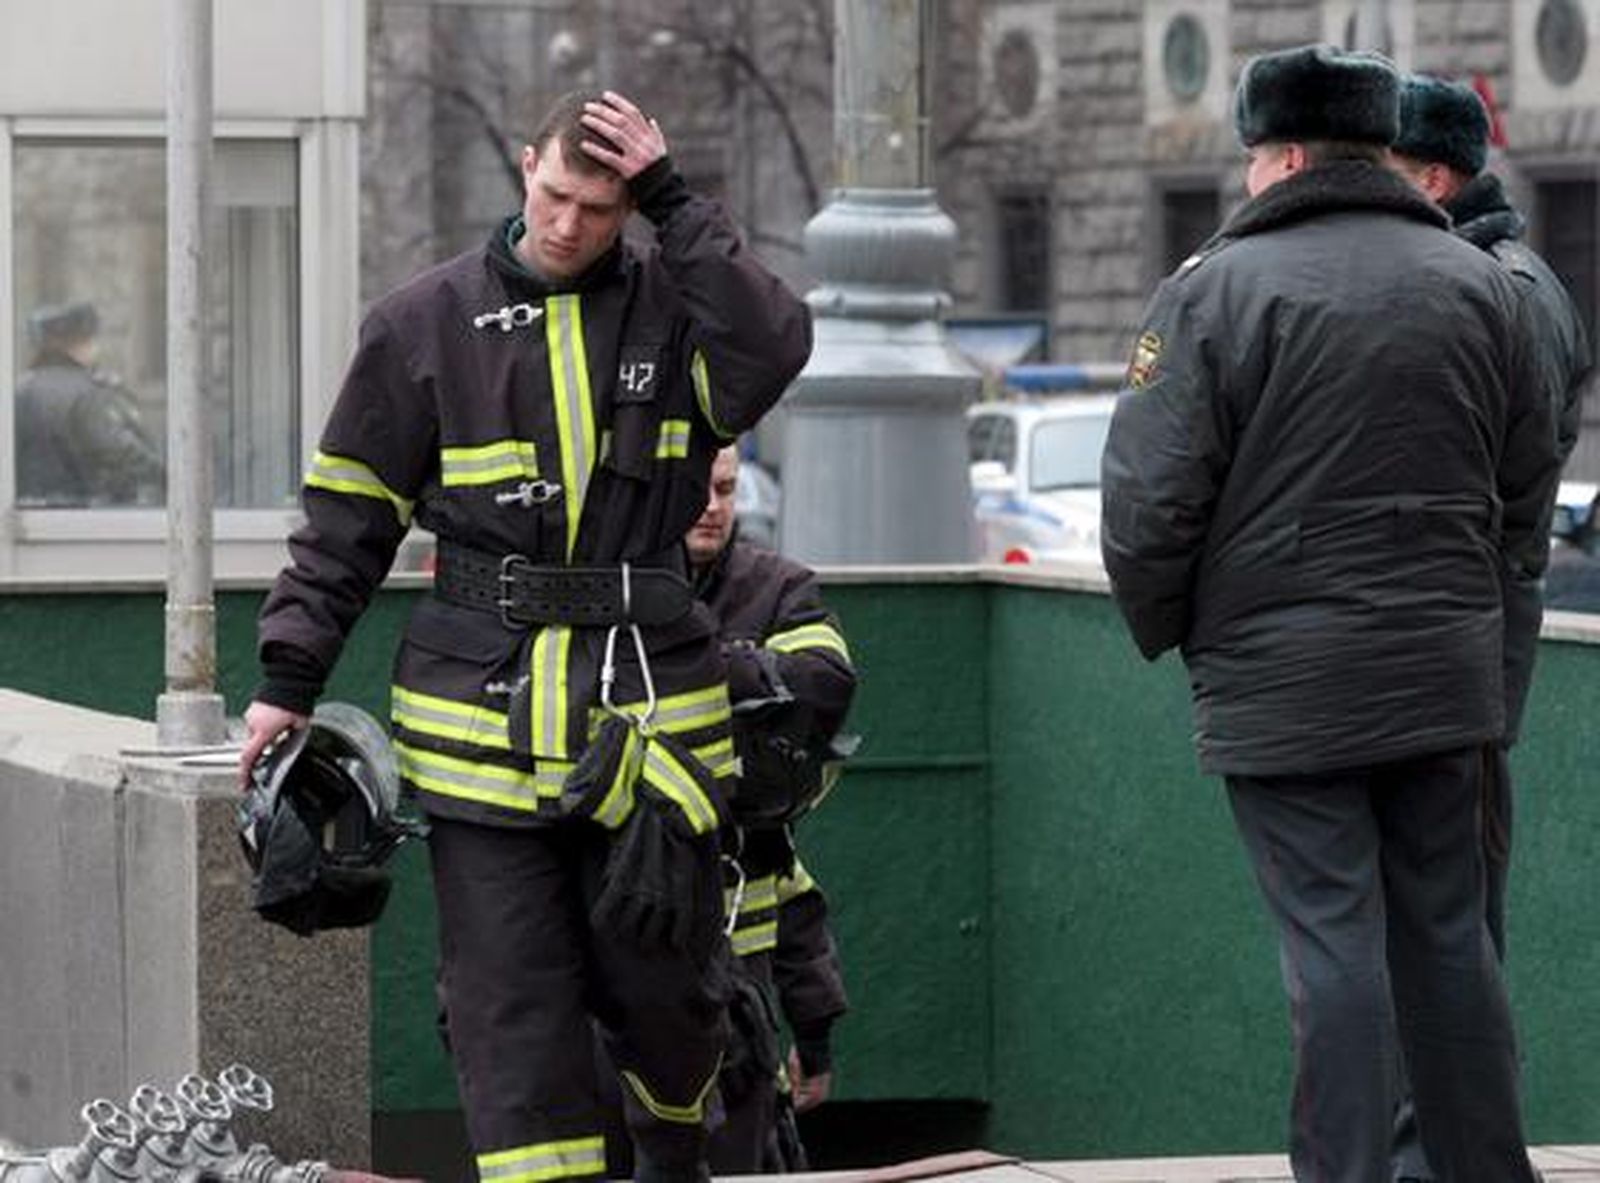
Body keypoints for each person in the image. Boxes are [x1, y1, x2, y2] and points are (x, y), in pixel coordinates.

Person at [237, 88, 811, 1183]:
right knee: (510, 1006)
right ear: (523, 167)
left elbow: (776, 343)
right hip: (479, 742)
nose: (567, 225)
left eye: (600, 208)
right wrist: (287, 679)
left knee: (668, 989)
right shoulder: (418, 326)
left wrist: (676, 202)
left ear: (629, 206)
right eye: (554, 194)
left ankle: (674, 1155)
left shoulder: (678, 311)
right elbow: (344, 521)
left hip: (650, 739)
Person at [1100, 44, 1557, 1183]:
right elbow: (1525, 489)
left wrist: (1183, 630)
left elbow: (1147, 509)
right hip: (1447, 675)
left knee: (1332, 951)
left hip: (1285, 685)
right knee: (1449, 943)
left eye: (1255, 159)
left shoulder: (1211, 290)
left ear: (1289, 156)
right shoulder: (1484, 283)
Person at [1387, 72, 1593, 1183]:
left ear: (1433, 175)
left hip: (1460, 656)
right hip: (1469, 652)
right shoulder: (1520, 280)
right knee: (1446, 919)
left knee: (1450, 926)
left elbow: (1500, 501)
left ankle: (1442, 1160)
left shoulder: (1492, 289)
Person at [597, 445, 855, 1175]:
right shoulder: (604, 587)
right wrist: (745, 685)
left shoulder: (776, 585)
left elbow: (825, 683)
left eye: (726, 489)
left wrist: (697, 666)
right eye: (697, 489)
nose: (712, 506)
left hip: (737, 964)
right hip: (625, 908)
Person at [14, 301, 164, 506]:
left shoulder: (18, 389)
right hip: (78, 516)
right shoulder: (85, 392)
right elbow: (118, 451)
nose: (96, 348)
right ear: (77, 344)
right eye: (91, 340)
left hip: (24, 515)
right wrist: (164, 472)